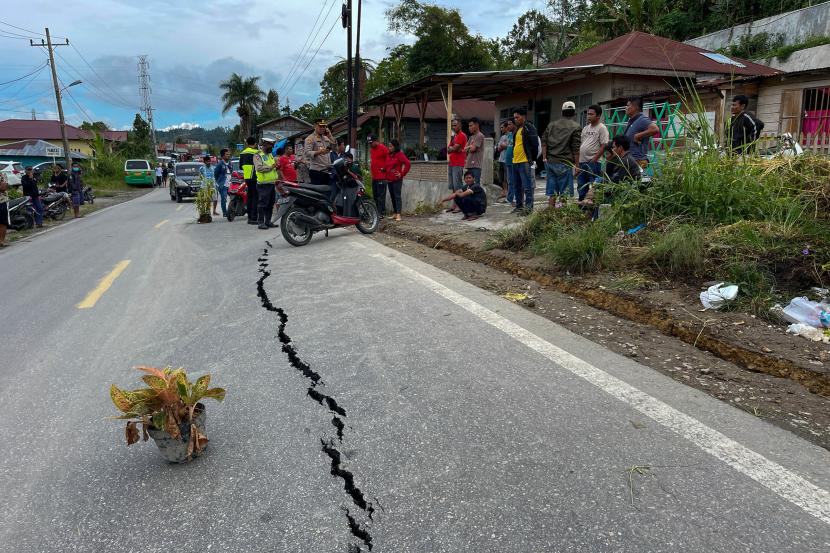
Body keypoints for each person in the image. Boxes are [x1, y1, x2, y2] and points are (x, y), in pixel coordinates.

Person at [542, 101, 581, 209]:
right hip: (565, 163)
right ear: (574, 113)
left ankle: (550, 215)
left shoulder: (551, 125)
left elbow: (544, 141)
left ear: (562, 112)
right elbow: (576, 148)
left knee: (552, 192)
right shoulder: (576, 126)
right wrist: (577, 165)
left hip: (551, 162)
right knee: (564, 193)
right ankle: (560, 216)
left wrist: (545, 158)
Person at [577, 104, 610, 201]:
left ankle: (594, 210)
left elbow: (604, 145)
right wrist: (577, 162)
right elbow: (581, 144)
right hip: (582, 161)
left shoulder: (602, 128)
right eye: (588, 114)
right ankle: (582, 208)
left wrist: (595, 158)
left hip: (594, 162)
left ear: (598, 116)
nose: (588, 116)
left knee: (595, 187)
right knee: (581, 186)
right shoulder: (585, 128)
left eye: (591, 114)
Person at [511, 107, 539, 216]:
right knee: (517, 186)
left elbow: (535, 146)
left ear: (523, 117)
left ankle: (528, 209)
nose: (515, 119)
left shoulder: (529, 128)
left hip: (525, 162)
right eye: (514, 118)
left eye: (517, 117)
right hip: (516, 162)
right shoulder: (517, 129)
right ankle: (519, 206)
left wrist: (531, 160)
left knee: (527, 187)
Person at [623, 97, 659, 169]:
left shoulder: (642, 119)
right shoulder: (632, 120)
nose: (625, 107)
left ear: (635, 107)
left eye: (628, 105)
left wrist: (638, 135)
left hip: (638, 160)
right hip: (630, 159)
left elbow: (655, 129)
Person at [254, 132, 279, 229]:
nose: (271, 147)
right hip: (263, 184)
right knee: (262, 204)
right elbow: (259, 168)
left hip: (272, 183)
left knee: (270, 203)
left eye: (272, 146)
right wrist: (271, 167)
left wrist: (276, 167)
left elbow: (272, 167)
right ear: (264, 145)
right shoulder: (257, 155)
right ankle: (261, 222)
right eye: (270, 145)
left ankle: (268, 221)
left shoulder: (270, 155)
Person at [385, 138, 411, 222]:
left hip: (397, 179)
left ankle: (399, 214)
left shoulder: (400, 154)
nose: (389, 148)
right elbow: (388, 165)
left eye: (391, 146)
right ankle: (395, 213)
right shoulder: (389, 155)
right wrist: (384, 170)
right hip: (389, 179)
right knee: (392, 197)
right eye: (389, 146)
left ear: (395, 147)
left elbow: (408, 163)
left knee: (397, 196)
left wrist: (402, 173)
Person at [304, 119, 335, 185]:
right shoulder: (310, 138)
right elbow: (307, 153)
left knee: (327, 193)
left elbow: (335, 148)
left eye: (324, 126)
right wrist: (319, 152)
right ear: (315, 126)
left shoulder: (326, 138)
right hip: (317, 171)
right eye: (320, 126)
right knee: (317, 194)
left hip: (327, 171)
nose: (322, 128)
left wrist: (330, 135)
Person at [446, 118, 467, 212]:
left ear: (460, 125)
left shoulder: (462, 135)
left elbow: (454, 148)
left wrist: (453, 148)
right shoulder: (454, 136)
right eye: (452, 125)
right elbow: (448, 149)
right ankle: (455, 204)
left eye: (455, 125)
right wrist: (453, 148)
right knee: (453, 186)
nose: (454, 127)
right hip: (452, 163)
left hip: (458, 163)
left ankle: (460, 205)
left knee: (458, 185)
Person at [368, 134, 389, 217]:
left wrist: (385, 169)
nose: (370, 144)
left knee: (381, 196)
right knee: (375, 196)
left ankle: (381, 213)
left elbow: (389, 160)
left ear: (376, 141)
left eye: (371, 142)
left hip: (382, 177)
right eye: (369, 143)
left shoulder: (383, 148)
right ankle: (377, 212)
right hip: (374, 177)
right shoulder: (371, 150)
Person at [240, 136, 259, 225]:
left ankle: (249, 217)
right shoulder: (256, 152)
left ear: (247, 143)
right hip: (255, 177)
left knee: (250, 196)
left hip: (247, 177)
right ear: (255, 144)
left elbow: (240, 166)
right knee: (255, 197)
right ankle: (254, 218)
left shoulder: (242, 153)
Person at [463, 117, 485, 185]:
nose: (469, 127)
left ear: (477, 125)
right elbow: (464, 149)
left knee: (476, 185)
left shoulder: (480, 135)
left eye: (471, 125)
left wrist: (469, 147)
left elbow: (473, 149)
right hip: (469, 165)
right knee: (469, 185)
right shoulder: (471, 137)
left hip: (476, 165)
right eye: (469, 126)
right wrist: (470, 146)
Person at [213, 149, 231, 218]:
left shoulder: (230, 163)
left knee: (233, 197)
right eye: (227, 154)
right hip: (223, 185)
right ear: (223, 156)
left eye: (229, 154)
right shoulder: (220, 164)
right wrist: (219, 182)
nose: (228, 156)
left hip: (230, 183)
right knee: (224, 198)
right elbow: (216, 174)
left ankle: (233, 210)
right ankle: (225, 212)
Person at [496, 121, 510, 201]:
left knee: (506, 176)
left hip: (507, 160)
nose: (501, 129)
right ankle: (504, 191)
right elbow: (499, 148)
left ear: (506, 127)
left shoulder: (510, 136)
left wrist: (504, 145)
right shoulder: (502, 137)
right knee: (501, 176)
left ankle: (507, 191)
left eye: (502, 127)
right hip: (501, 159)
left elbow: (507, 146)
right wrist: (503, 146)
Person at [0, 172, 9, 247]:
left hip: (1, 202)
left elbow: (3, 187)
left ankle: (2, 240)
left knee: (2, 222)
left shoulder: (2, 175)